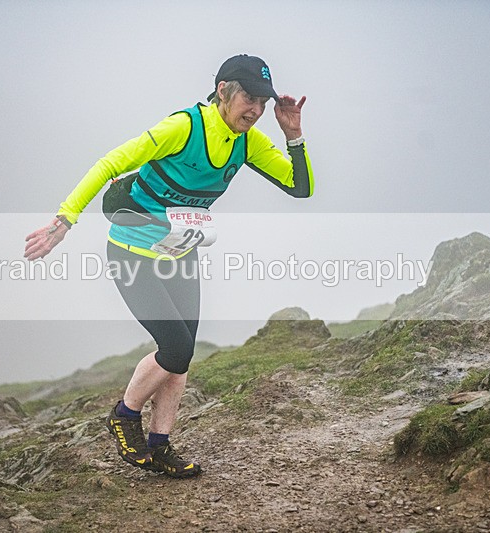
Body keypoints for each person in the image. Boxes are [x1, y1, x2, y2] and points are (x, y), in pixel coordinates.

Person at [24, 54, 313, 478]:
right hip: (132, 253)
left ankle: (160, 446)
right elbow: (110, 164)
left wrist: (294, 136)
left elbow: (300, 187)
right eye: (248, 97)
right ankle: (124, 417)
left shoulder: (248, 142)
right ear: (223, 91)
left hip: (179, 255)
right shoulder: (184, 127)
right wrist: (64, 221)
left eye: (263, 102)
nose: (255, 109)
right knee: (175, 348)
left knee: (181, 357)